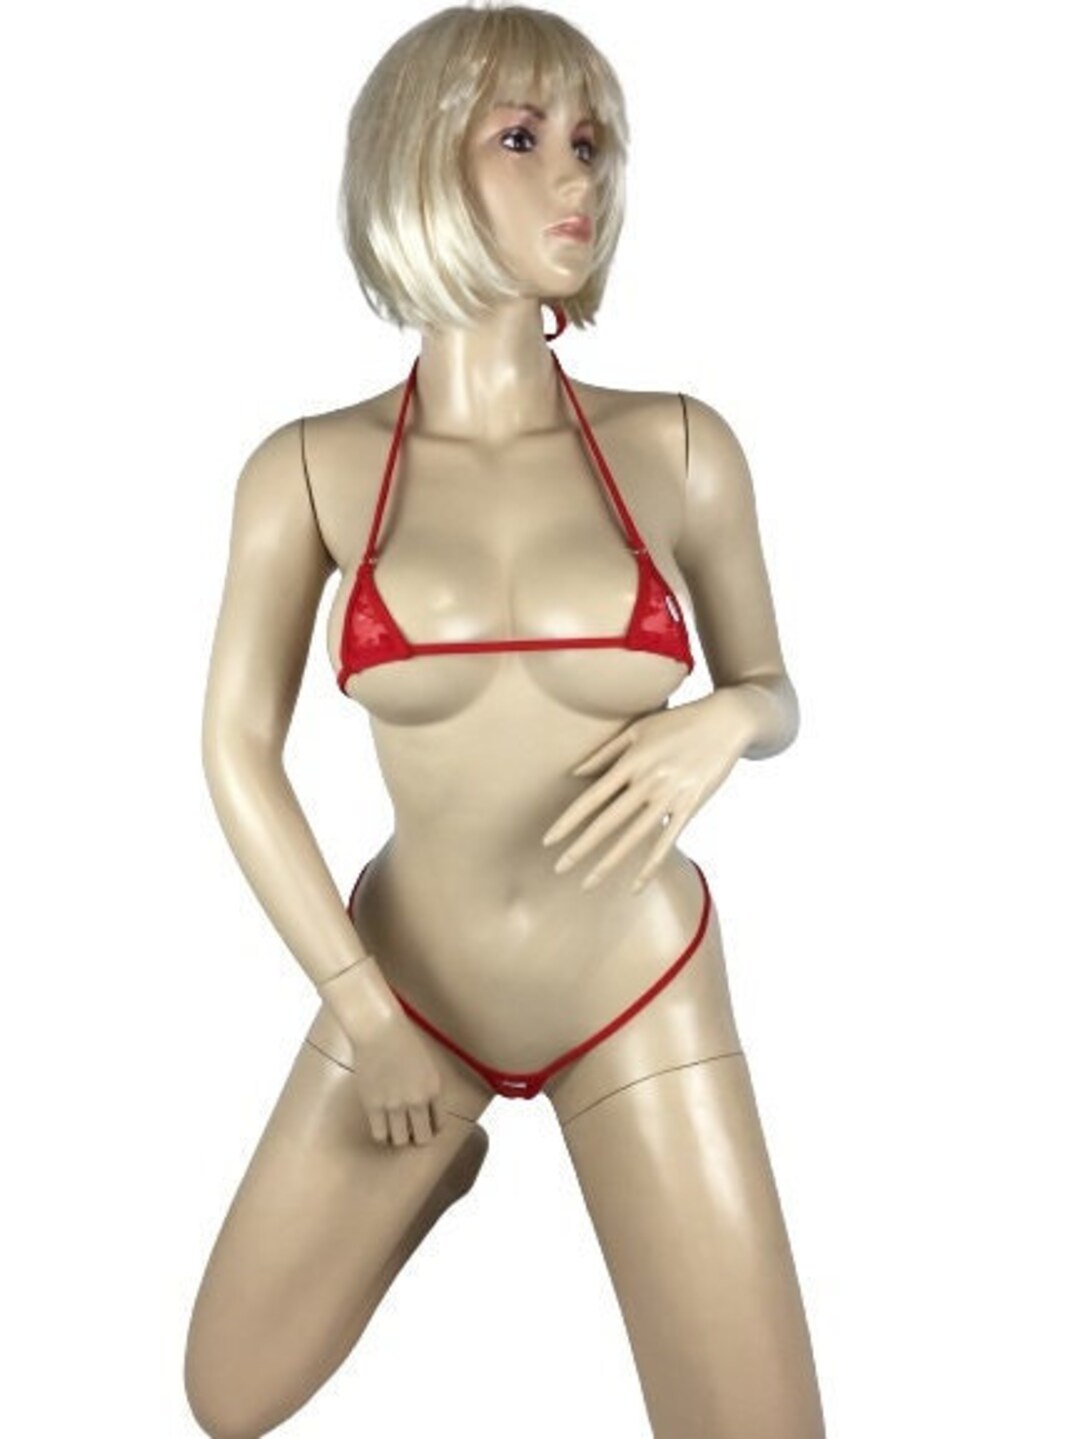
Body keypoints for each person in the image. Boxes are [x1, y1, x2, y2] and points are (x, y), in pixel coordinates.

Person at [183, 6, 826, 1437]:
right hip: (411, 979)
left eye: (590, 142)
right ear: (416, 164)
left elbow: (775, 689)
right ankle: (439, 1165)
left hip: (637, 980)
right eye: (522, 139)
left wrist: (731, 715)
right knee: (227, 1396)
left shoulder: (679, 446)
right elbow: (235, 752)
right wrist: (365, 1011)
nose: (575, 176)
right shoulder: (309, 471)